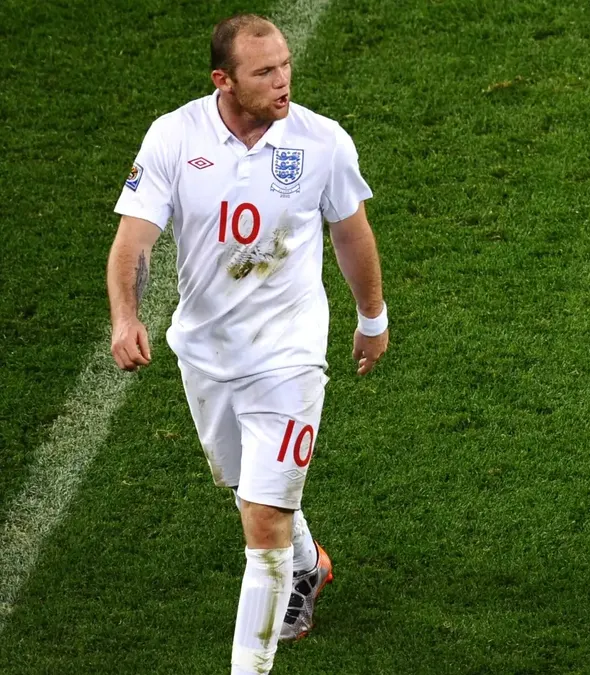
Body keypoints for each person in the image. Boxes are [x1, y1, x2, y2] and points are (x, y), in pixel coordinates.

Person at [106, 14, 387, 675]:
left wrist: (371, 316)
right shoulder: (175, 137)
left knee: (261, 530)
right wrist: (125, 317)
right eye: (264, 71)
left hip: (288, 360)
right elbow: (134, 240)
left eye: (285, 65)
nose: (283, 79)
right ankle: (307, 565)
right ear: (223, 80)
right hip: (205, 353)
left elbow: (352, 233)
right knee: (242, 484)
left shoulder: (321, 143)